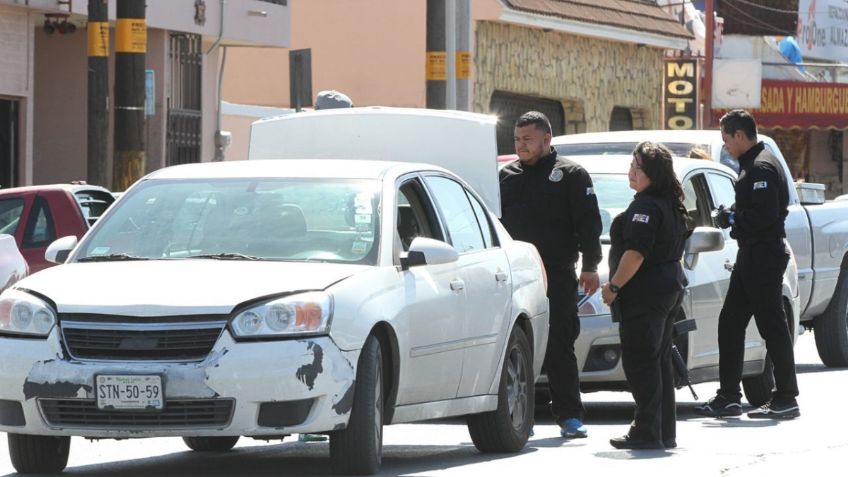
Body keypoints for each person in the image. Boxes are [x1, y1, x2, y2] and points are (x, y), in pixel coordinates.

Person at [499, 111, 602, 439]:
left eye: (527, 139)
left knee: (559, 343)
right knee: (515, 346)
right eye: (517, 139)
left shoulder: (571, 174)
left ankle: (570, 415)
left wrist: (591, 265)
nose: (521, 145)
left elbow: (589, 224)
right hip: (515, 276)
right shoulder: (506, 176)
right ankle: (517, 420)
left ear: (547, 139)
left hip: (556, 275)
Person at [694, 109, 799, 419]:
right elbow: (756, 208)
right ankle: (729, 396)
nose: (725, 146)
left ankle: (786, 397)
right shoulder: (752, 164)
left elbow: (765, 216)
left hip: (763, 256)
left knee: (772, 327)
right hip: (751, 256)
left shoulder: (762, 166)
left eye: (727, 139)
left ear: (739, 135)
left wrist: (734, 218)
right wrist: (734, 212)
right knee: (730, 323)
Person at [601, 142, 692, 450]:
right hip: (666, 289)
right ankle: (663, 431)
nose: (631, 171)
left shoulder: (647, 206)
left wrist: (613, 287)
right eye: (631, 165)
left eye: (637, 167)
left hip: (646, 292)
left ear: (652, 173)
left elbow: (636, 253)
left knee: (641, 361)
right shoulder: (667, 202)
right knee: (659, 360)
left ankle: (646, 430)